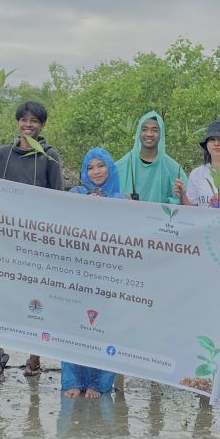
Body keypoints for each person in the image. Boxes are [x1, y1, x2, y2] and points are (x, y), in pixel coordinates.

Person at [0, 101, 64, 378]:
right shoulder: (2, 155)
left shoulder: (49, 156)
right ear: (17, 123)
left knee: (36, 299)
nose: (28, 125)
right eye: (24, 120)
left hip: (37, 242)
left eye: (34, 121)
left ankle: (34, 359)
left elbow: (57, 198)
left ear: (42, 125)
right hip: (3, 240)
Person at [62, 147, 125, 397]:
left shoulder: (121, 200)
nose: (96, 172)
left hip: (107, 273)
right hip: (77, 271)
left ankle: (100, 382)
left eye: (101, 166)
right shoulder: (75, 193)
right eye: (90, 167)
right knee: (73, 324)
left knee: (104, 326)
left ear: (111, 168)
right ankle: (72, 380)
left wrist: (106, 206)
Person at [114, 110, 189, 203]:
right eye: (144, 129)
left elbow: (187, 200)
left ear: (161, 134)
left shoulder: (172, 168)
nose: (149, 134)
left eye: (154, 130)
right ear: (138, 133)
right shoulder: (123, 165)